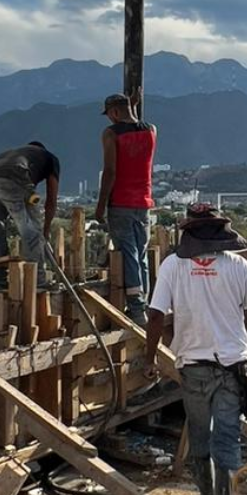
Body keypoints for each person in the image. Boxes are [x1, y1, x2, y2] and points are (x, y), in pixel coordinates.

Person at [144, 203, 247, 495]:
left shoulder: (173, 266)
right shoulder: (238, 267)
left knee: (201, 441)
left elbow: (156, 315)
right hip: (232, 368)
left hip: (194, 368)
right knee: (226, 439)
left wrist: (149, 359)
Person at [94, 92, 156, 325]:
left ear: (115, 112)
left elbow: (110, 172)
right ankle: (145, 304)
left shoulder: (110, 134)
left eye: (110, 114)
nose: (109, 119)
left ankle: (137, 310)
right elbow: (135, 124)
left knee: (128, 253)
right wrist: (133, 105)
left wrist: (100, 207)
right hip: (144, 204)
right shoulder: (151, 131)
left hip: (120, 203)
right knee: (140, 255)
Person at [0, 141, 60, 288]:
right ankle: (37, 281)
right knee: (30, 228)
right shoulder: (49, 158)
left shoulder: (16, 153)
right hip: (13, 177)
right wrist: (45, 230)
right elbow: (51, 201)